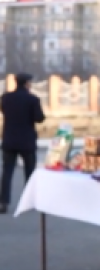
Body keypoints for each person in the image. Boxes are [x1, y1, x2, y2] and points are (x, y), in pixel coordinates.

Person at [1, 73, 46, 213]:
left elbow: (4, 111)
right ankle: (30, 201)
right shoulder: (33, 99)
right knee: (30, 172)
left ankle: (3, 202)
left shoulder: (5, 98)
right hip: (27, 141)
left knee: (7, 172)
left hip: (9, 140)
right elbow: (39, 118)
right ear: (27, 83)